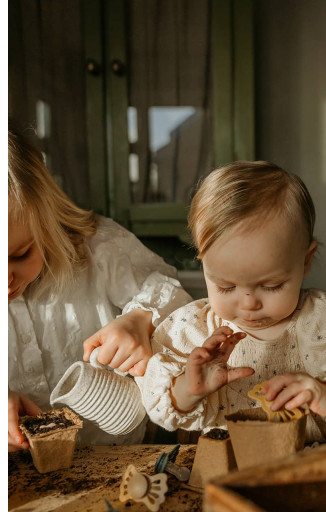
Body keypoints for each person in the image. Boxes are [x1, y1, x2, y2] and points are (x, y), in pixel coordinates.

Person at [137, 161, 326, 443]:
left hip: (310, 467)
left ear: (305, 260)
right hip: (222, 471)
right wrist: (189, 388)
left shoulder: (320, 320)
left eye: (271, 286)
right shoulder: (194, 328)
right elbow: (158, 404)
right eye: (225, 286)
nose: (249, 303)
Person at [8, 124, 192, 451]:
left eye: (20, 254)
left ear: (46, 217)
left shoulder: (98, 248)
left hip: (117, 460)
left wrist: (140, 320)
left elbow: (172, 295)